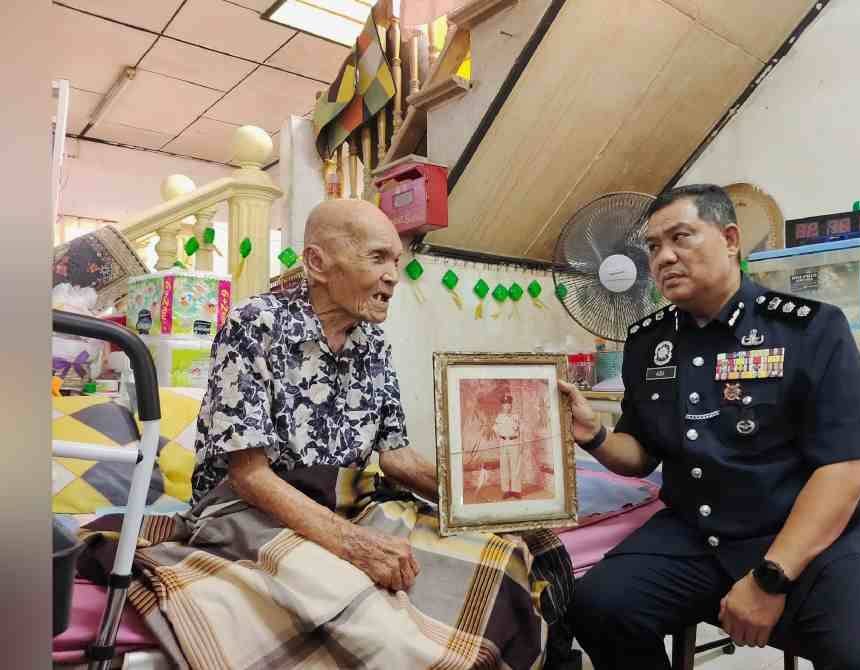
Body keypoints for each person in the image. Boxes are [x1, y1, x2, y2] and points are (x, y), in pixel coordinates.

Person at [191, 199, 577, 668]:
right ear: (317, 263)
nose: (394, 274)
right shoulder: (256, 325)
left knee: (515, 550)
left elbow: (396, 459)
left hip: (348, 502)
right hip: (254, 508)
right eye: (378, 258)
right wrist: (353, 545)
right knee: (373, 611)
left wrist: (498, 497)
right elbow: (249, 476)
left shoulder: (372, 342)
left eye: (397, 260)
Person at [558, 184, 860, 669]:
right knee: (597, 607)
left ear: (730, 239)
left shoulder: (809, 329)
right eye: (653, 247)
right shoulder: (649, 343)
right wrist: (595, 436)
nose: (664, 257)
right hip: (697, 535)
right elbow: (642, 453)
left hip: (811, 537)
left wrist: (769, 580)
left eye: (681, 237)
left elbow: (845, 469)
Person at [495, 393, 524, 498]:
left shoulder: (516, 417)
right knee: (504, 467)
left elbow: (522, 431)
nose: (507, 406)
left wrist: (521, 443)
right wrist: (500, 439)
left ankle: (516, 491)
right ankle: (506, 490)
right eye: (504, 404)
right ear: (502, 406)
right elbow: (496, 430)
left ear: (511, 405)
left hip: (514, 442)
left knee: (515, 466)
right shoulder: (499, 417)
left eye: (508, 404)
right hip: (503, 442)